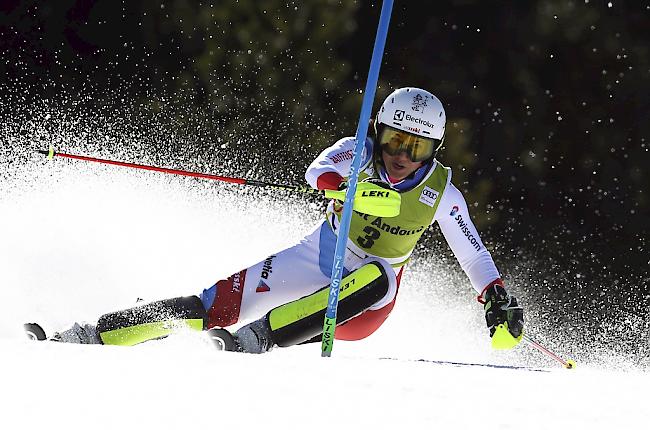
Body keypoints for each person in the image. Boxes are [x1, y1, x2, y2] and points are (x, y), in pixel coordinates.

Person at [47, 87, 524, 353]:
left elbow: (473, 253)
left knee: (378, 276)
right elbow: (317, 170)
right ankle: (94, 333)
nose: (401, 156)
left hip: (365, 303)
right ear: (379, 132)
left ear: (433, 150)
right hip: (319, 256)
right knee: (216, 303)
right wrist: (345, 187)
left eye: (416, 148)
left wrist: (494, 295)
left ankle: (258, 340)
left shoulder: (443, 192)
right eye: (395, 141)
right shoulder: (359, 150)